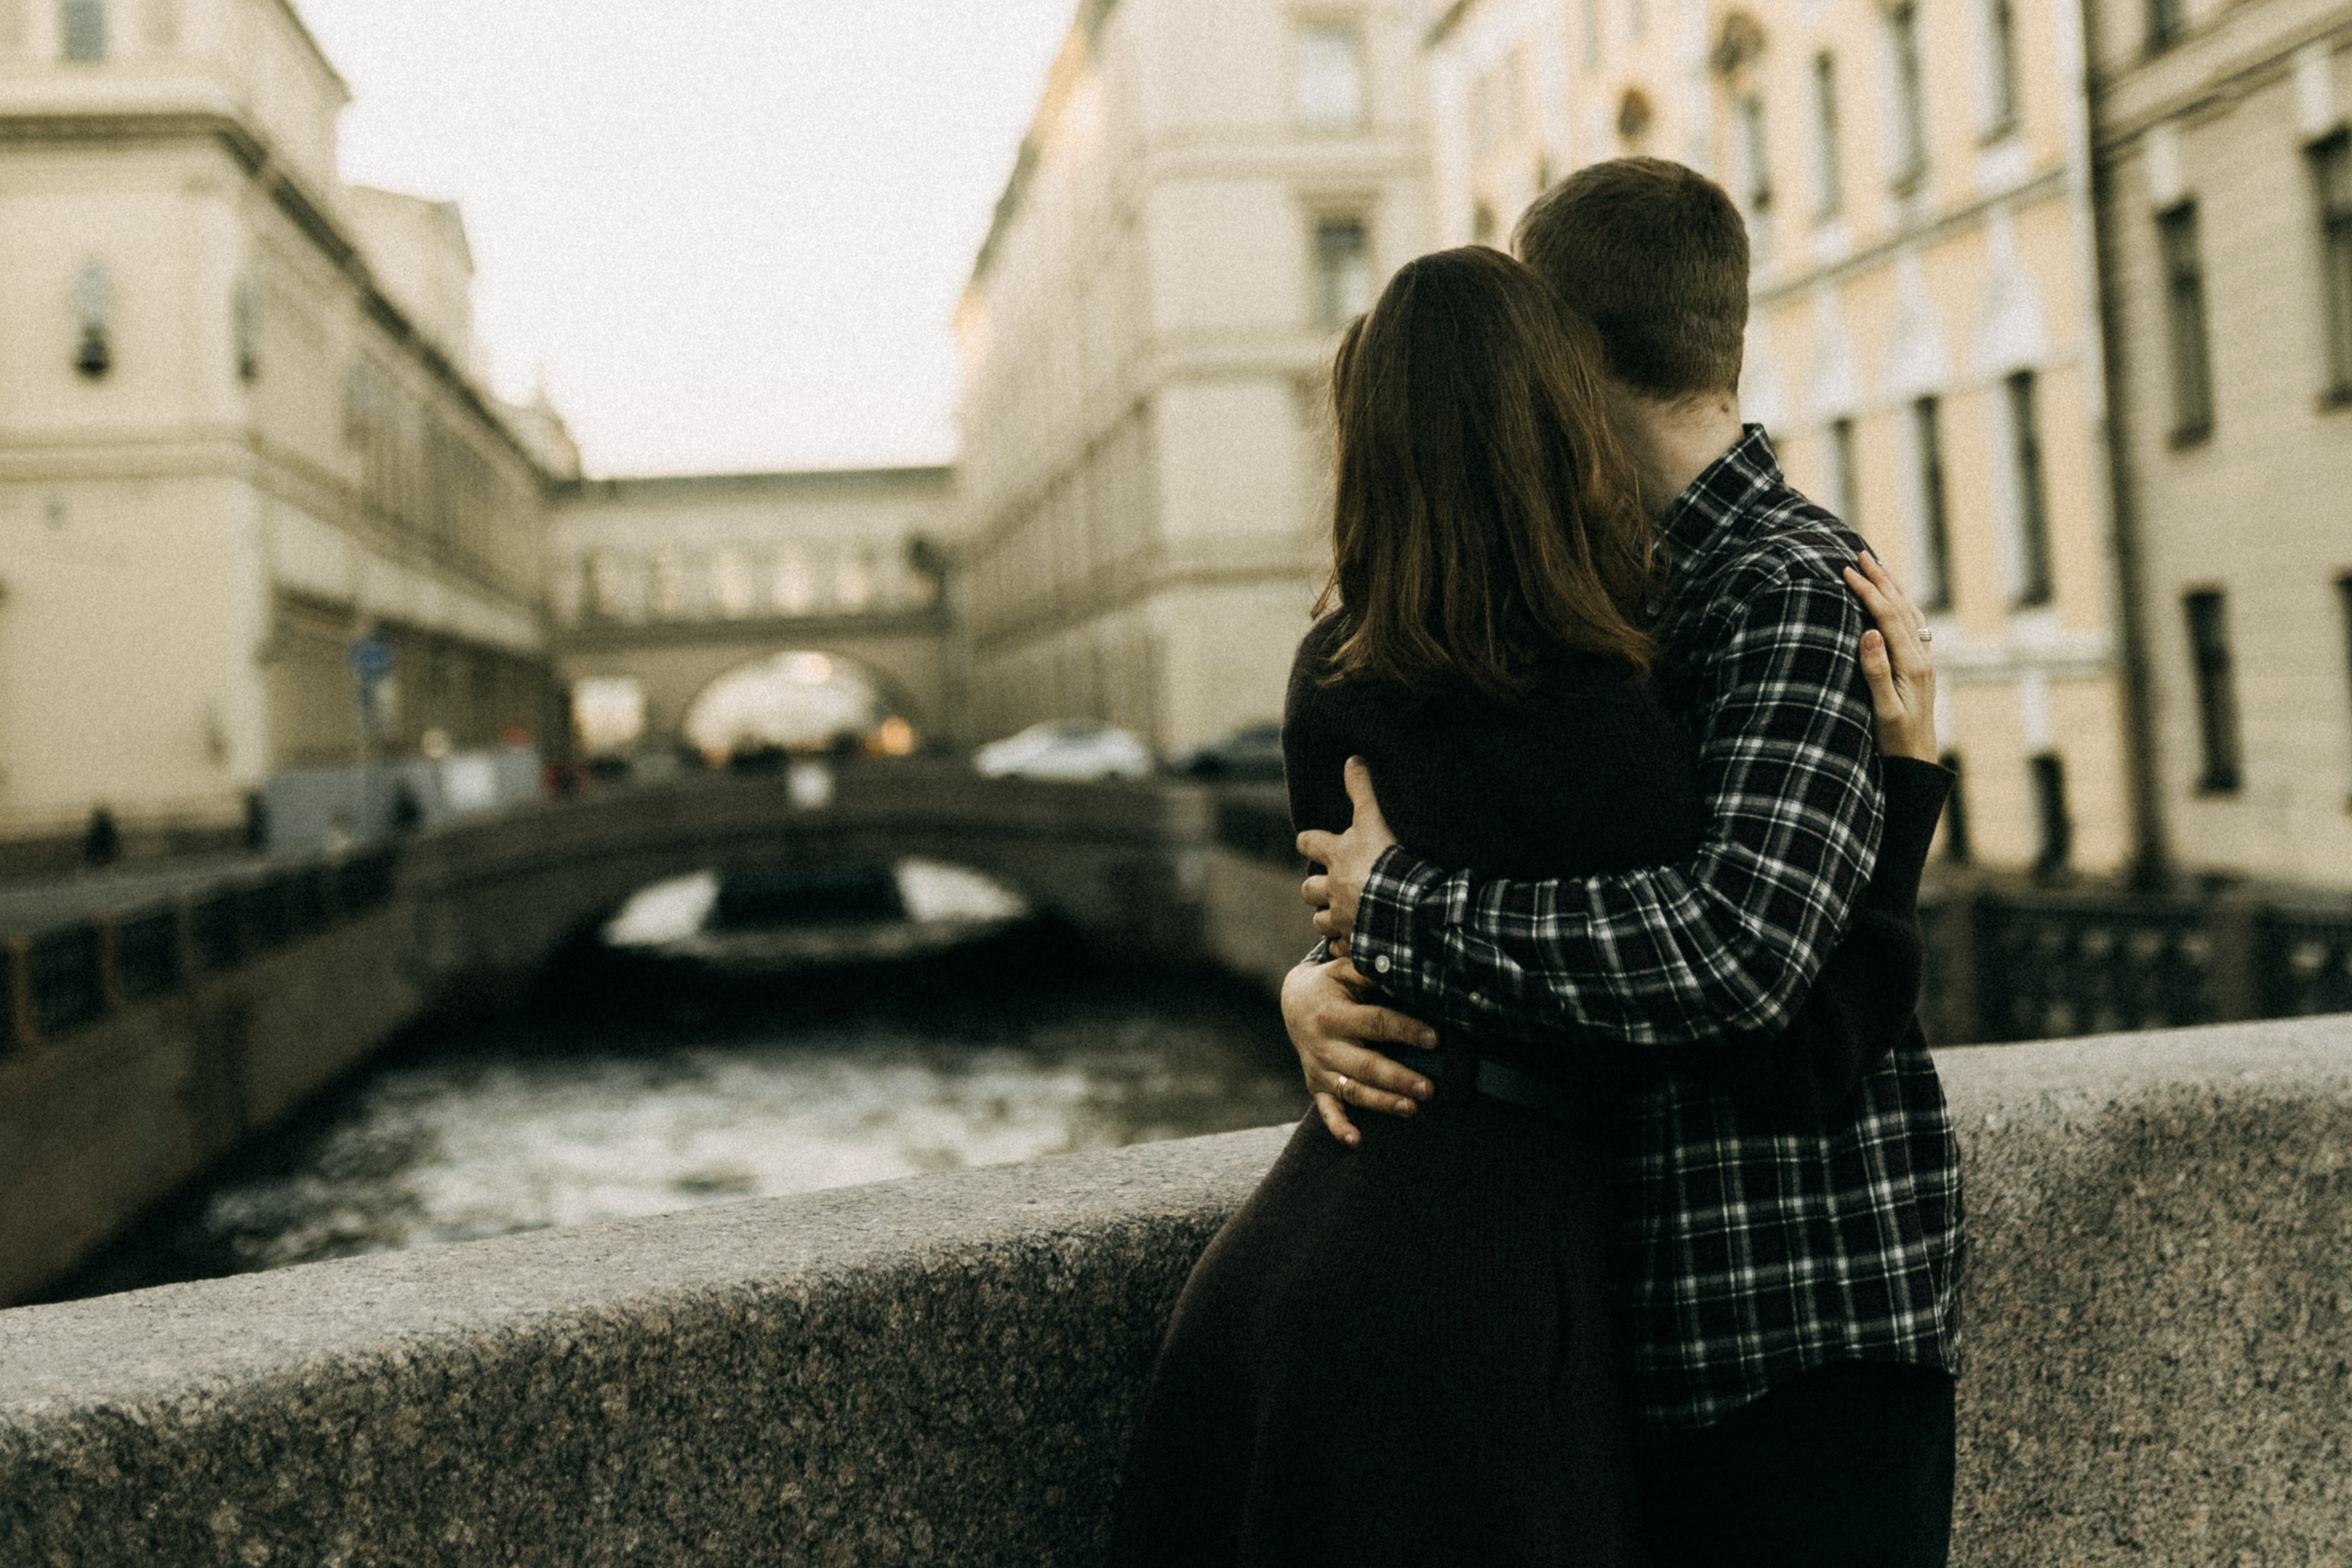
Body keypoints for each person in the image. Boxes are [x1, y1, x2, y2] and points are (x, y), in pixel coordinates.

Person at [1105, 245, 1948, 1566]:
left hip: (1305, 1252)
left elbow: (1380, 921)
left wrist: (1338, 955)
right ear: (1545, 401)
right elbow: (1775, 1018)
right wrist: (1900, 806)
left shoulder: (1331, 664)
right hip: (1477, 1293)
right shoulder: (1610, 680)